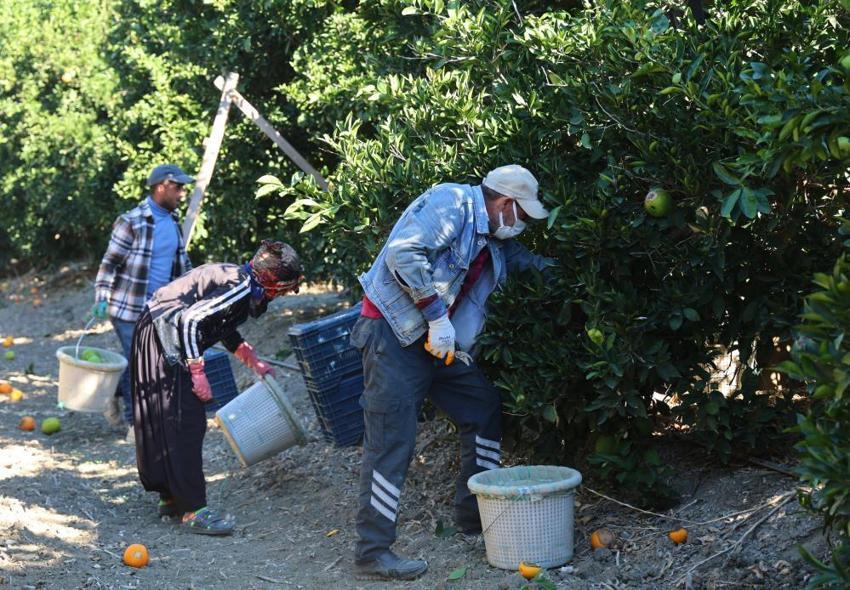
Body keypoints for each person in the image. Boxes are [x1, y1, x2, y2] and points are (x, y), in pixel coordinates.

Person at [350, 164, 554, 580]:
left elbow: (529, 263)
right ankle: (373, 552)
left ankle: (474, 516)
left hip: (434, 343)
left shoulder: (492, 238)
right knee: (392, 440)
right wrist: (437, 316)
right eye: (524, 215)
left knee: (481, 407)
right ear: (504, 203)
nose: (524, 226)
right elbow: (402, 253)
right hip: (394, 334)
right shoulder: (452, 204)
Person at [131, 240, 302, 535]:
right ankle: (193, 510)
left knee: (167, 416)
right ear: (271, 279)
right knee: (187, 422)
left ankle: (170, 495)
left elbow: (218, 322)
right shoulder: (240, 285)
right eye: (285, 287)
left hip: (155, 327)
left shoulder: (240, 279)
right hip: (165, 335)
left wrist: (252, 359)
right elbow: (192, 319)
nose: (285, 294)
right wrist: (197, 372)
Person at [93, 164, 194, 441]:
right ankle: (133, 425)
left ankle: (113, 391)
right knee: (138, 362)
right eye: (178, 188)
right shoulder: (132, 221)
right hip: (127, 308)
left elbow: (183, 267)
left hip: (156, 310)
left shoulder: (173, 224)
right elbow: (109, 263)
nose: (182, 194)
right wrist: (102, 297)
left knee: (154, 363)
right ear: (161, 186)